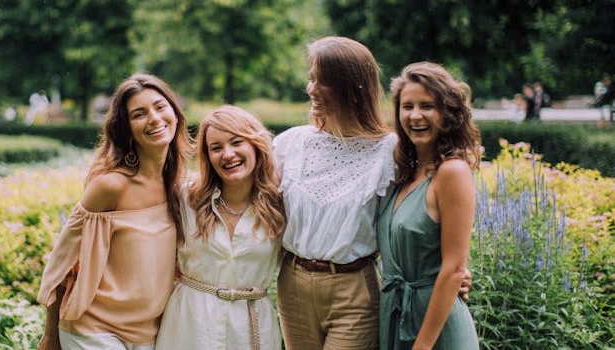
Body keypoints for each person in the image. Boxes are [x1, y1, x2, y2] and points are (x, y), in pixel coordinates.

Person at [36, 73, 193, 350]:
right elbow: (63, 262)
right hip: (94, 330)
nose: (154, 118)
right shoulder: (110, 186)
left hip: (149, 335)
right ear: (126, 129)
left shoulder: (177, 186)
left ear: (175, 113)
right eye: (139, 114)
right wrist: (50, 335)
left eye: (160, 106)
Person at [272, 36, 396, 350]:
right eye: (311, 78)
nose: (311, 89)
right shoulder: (291, 143)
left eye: (322, 81)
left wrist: (452, 266)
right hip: (294, 284)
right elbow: (249, 199)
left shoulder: (388, 152)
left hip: (353, 289)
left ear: (352, 87)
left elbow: (416, 211)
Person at [155, 105, 286, 350]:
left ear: (255, 144)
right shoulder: (185, 199)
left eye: (237, 142)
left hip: (251, 327)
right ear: (208, 157)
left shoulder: (279, 205)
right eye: (216, 148)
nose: (228, 154)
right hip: (190, 325)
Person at [379, 61, 481, 349]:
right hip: (395, 314)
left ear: (447, 113)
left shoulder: (452, 172)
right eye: (407, 106)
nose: (415, 116)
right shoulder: (404, 173)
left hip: (435, 328)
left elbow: (453, 269)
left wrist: (422, 346)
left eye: (427, 106)